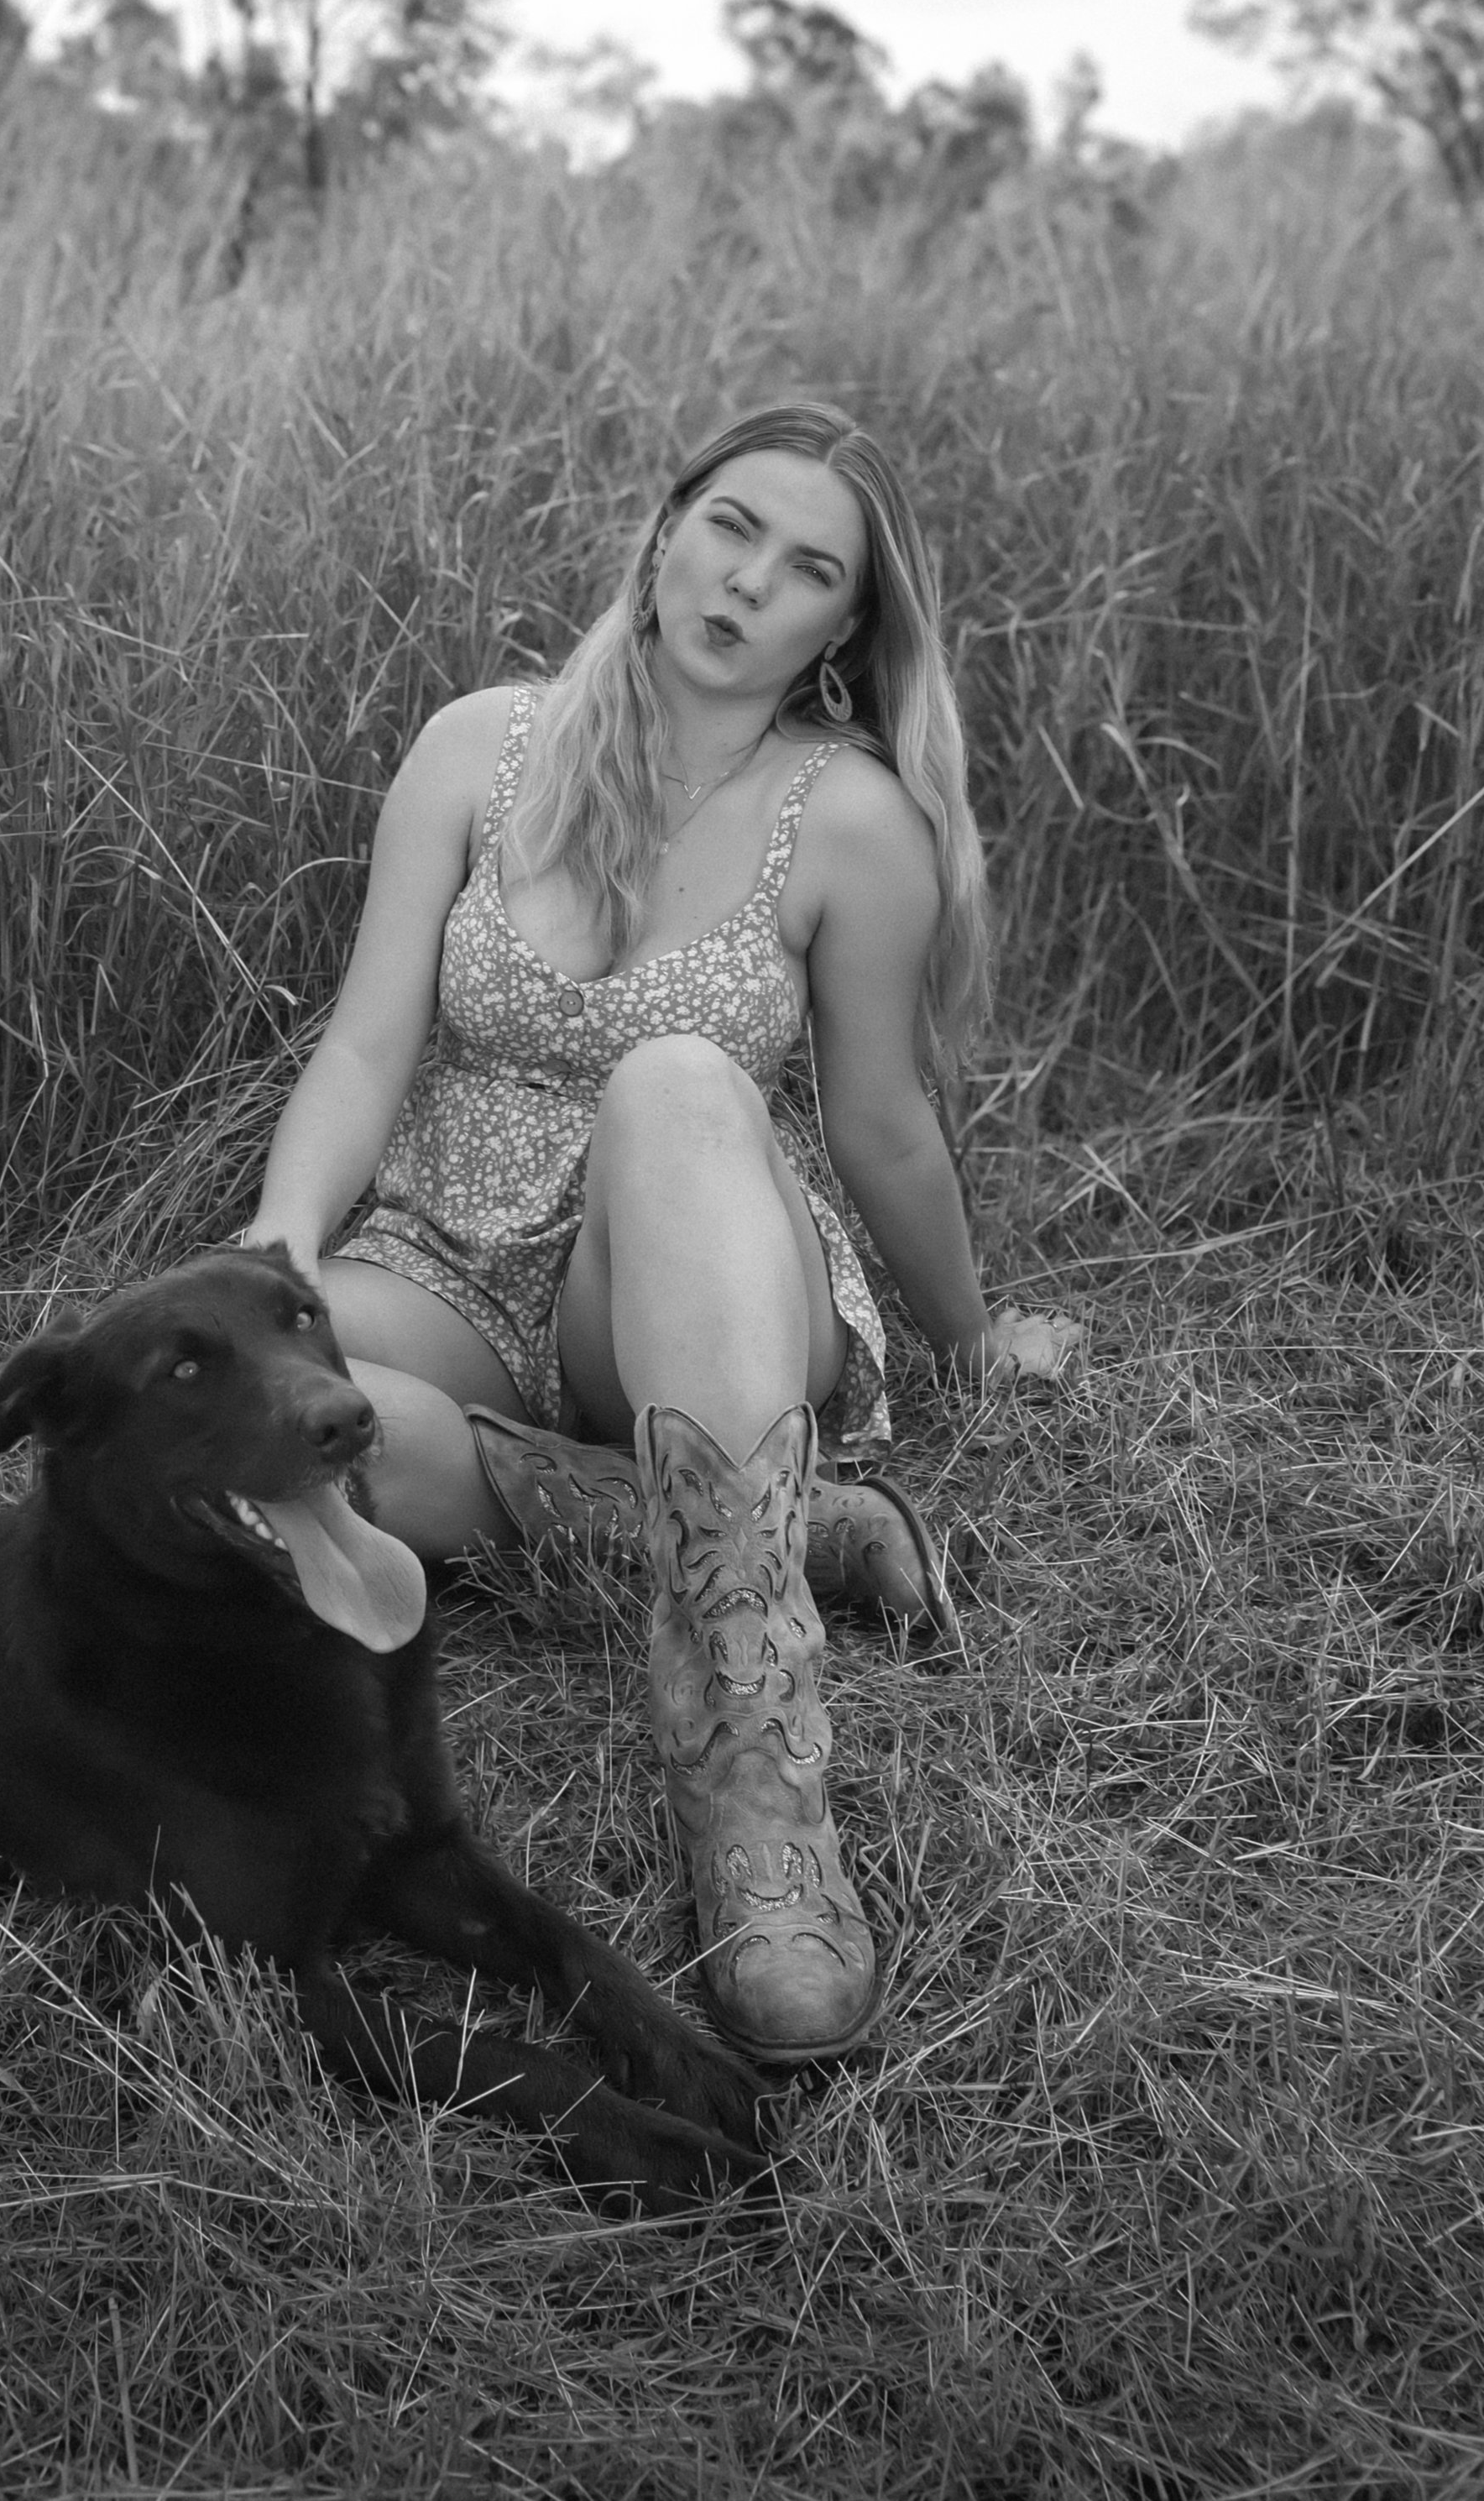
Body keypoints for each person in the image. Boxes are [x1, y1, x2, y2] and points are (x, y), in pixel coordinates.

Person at [241, 400, 1079, 2066]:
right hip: (443, 1253)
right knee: (262, 1441)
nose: (748, 581)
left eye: (807, 568)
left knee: (678, 1078)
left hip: (692, 1267)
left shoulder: (846, 820)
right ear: (660, 528)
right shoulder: (475, 748)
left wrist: (973, 1336)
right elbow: (362, 1043)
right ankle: (784, 1530)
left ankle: (758, 1804)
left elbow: (879, 1124)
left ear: (846, 624)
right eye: (728, 527)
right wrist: (278, 1242)